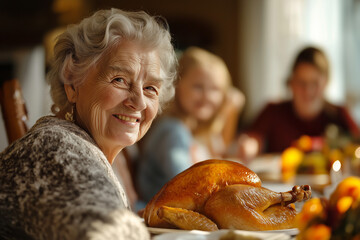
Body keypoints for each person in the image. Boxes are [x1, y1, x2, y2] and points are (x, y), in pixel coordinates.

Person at [0, 8, 177, 240]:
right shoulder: (54, 147)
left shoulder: (89, 150)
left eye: (150, 88)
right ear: (72, 84)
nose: (139, 102)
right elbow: (105, 233)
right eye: (120, 80)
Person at [136, 47, 244, 204]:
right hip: (164, 218)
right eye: (198, 87)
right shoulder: (172, 131)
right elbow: (189, 188)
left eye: (215, 89)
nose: (207, 96)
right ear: (176, 85)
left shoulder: (193, 129)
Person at [238, 46, 360, 160]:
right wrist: (249, 146)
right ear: (291, 82)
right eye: (302, 82)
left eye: (315, 83)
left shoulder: (338, 114)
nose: (308, 91)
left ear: (326, 83)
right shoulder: (273, 111)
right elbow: (253, 140)